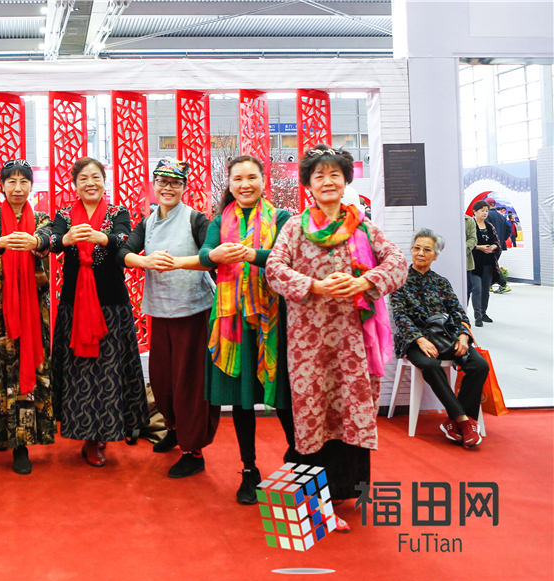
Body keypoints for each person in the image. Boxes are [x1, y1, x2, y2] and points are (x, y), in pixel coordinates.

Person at [265, 145, 406, 531]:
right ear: (308, 184)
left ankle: (342, 490)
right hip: (308, 345)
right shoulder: (295, 228)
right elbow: (274, 271)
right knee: (313, 417)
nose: (327, 181)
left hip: (352, 345)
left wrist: (364, 281)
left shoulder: (363, 227)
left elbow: (398, 263)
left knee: (349, 415)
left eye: (334, 175)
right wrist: (315, 285)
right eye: (319, 175)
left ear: (345, 181)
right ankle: (313, 503)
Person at [199, 155, 296, 502]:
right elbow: (205, 254)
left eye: (251, 177)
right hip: (232, 320)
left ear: (263, 181)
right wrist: (216, 255)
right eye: (237, 179)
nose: (244, 185)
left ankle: (299, 460)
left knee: (282, 396)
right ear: (229, 184)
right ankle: (249, 469)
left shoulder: (282, 218)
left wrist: (251, 254)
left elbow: (285, 257)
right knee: (242, 401)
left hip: (273, 316)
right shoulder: (218, 220)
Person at [120, 158, 219, 478]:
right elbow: (124, 253)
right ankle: (174, 429)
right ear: (154, 184)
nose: (167, 188)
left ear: (184, 187)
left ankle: (194, 450)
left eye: (175, 182)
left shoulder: (195, 219)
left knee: (189, 383)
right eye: (162, 181)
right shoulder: (147, 222)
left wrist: (176, 263)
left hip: (193, 311)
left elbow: (211, 257)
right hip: (160, 311)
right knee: (163, 380)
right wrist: (144, 261)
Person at [50, 157, 148, 468]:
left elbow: (125, 240)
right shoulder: (65, 214)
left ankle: (106, 431)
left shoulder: (118, 212)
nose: (90, 183)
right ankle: (89, 437)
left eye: (96, 177)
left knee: (109, 371)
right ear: (75, 185)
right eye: (83, 178)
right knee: (81, 372)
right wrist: (65, 239)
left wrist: (101, 237)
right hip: (75, 306)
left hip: (112, 305)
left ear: (104, 181)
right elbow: (52, 241)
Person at [0, 159, 55, 474]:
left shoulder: (41, 218)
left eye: (23, 182)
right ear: (2, 185)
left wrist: (37, 242)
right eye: (12, 181)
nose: (18, 188)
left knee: (26, 370)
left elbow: (49, 241)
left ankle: (22, 445)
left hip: (33, 310)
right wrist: (0, 243)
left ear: (31, 185)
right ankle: (0, 433)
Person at [390, 229, 487, 448]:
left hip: (446, 336)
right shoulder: (399, 281)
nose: (420, 253)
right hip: (414, 340)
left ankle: (456, 422)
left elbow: (458, 313)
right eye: (417, 248)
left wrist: (463, 336)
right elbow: (400, 316)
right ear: (411, 250)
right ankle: (463, 421)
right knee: (430, 365)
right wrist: (420, 339)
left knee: (479, 365)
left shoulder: (441, 282)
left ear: (435, 255)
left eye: (427, 250)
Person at [470, 200, 500, 327]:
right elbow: (466, 243)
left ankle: (483, 312)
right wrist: (479, 247)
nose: (485, 213)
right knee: (477, 289)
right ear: (475, 211)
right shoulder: (470, 225)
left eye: (486, 211)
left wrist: (493, 247)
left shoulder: (489, 226)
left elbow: (496, 242)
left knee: (485, 290)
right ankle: (477, 316)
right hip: (474, 263)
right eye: (482, 210)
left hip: (488, 262)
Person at [485, 198, 511, 293]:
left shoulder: (487, 216)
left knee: (490, 265)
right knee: (492, 265)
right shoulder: (501, 217)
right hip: (499, 246)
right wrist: (502, 239)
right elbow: (508, 229)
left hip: (490, 246)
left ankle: (502, 284)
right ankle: (490, 285)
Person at [464, 214, 479, 314]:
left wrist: (461, 248)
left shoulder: (468, 220)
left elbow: (473, 239)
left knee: (466, 290)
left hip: (466, 263)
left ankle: (462, 314)